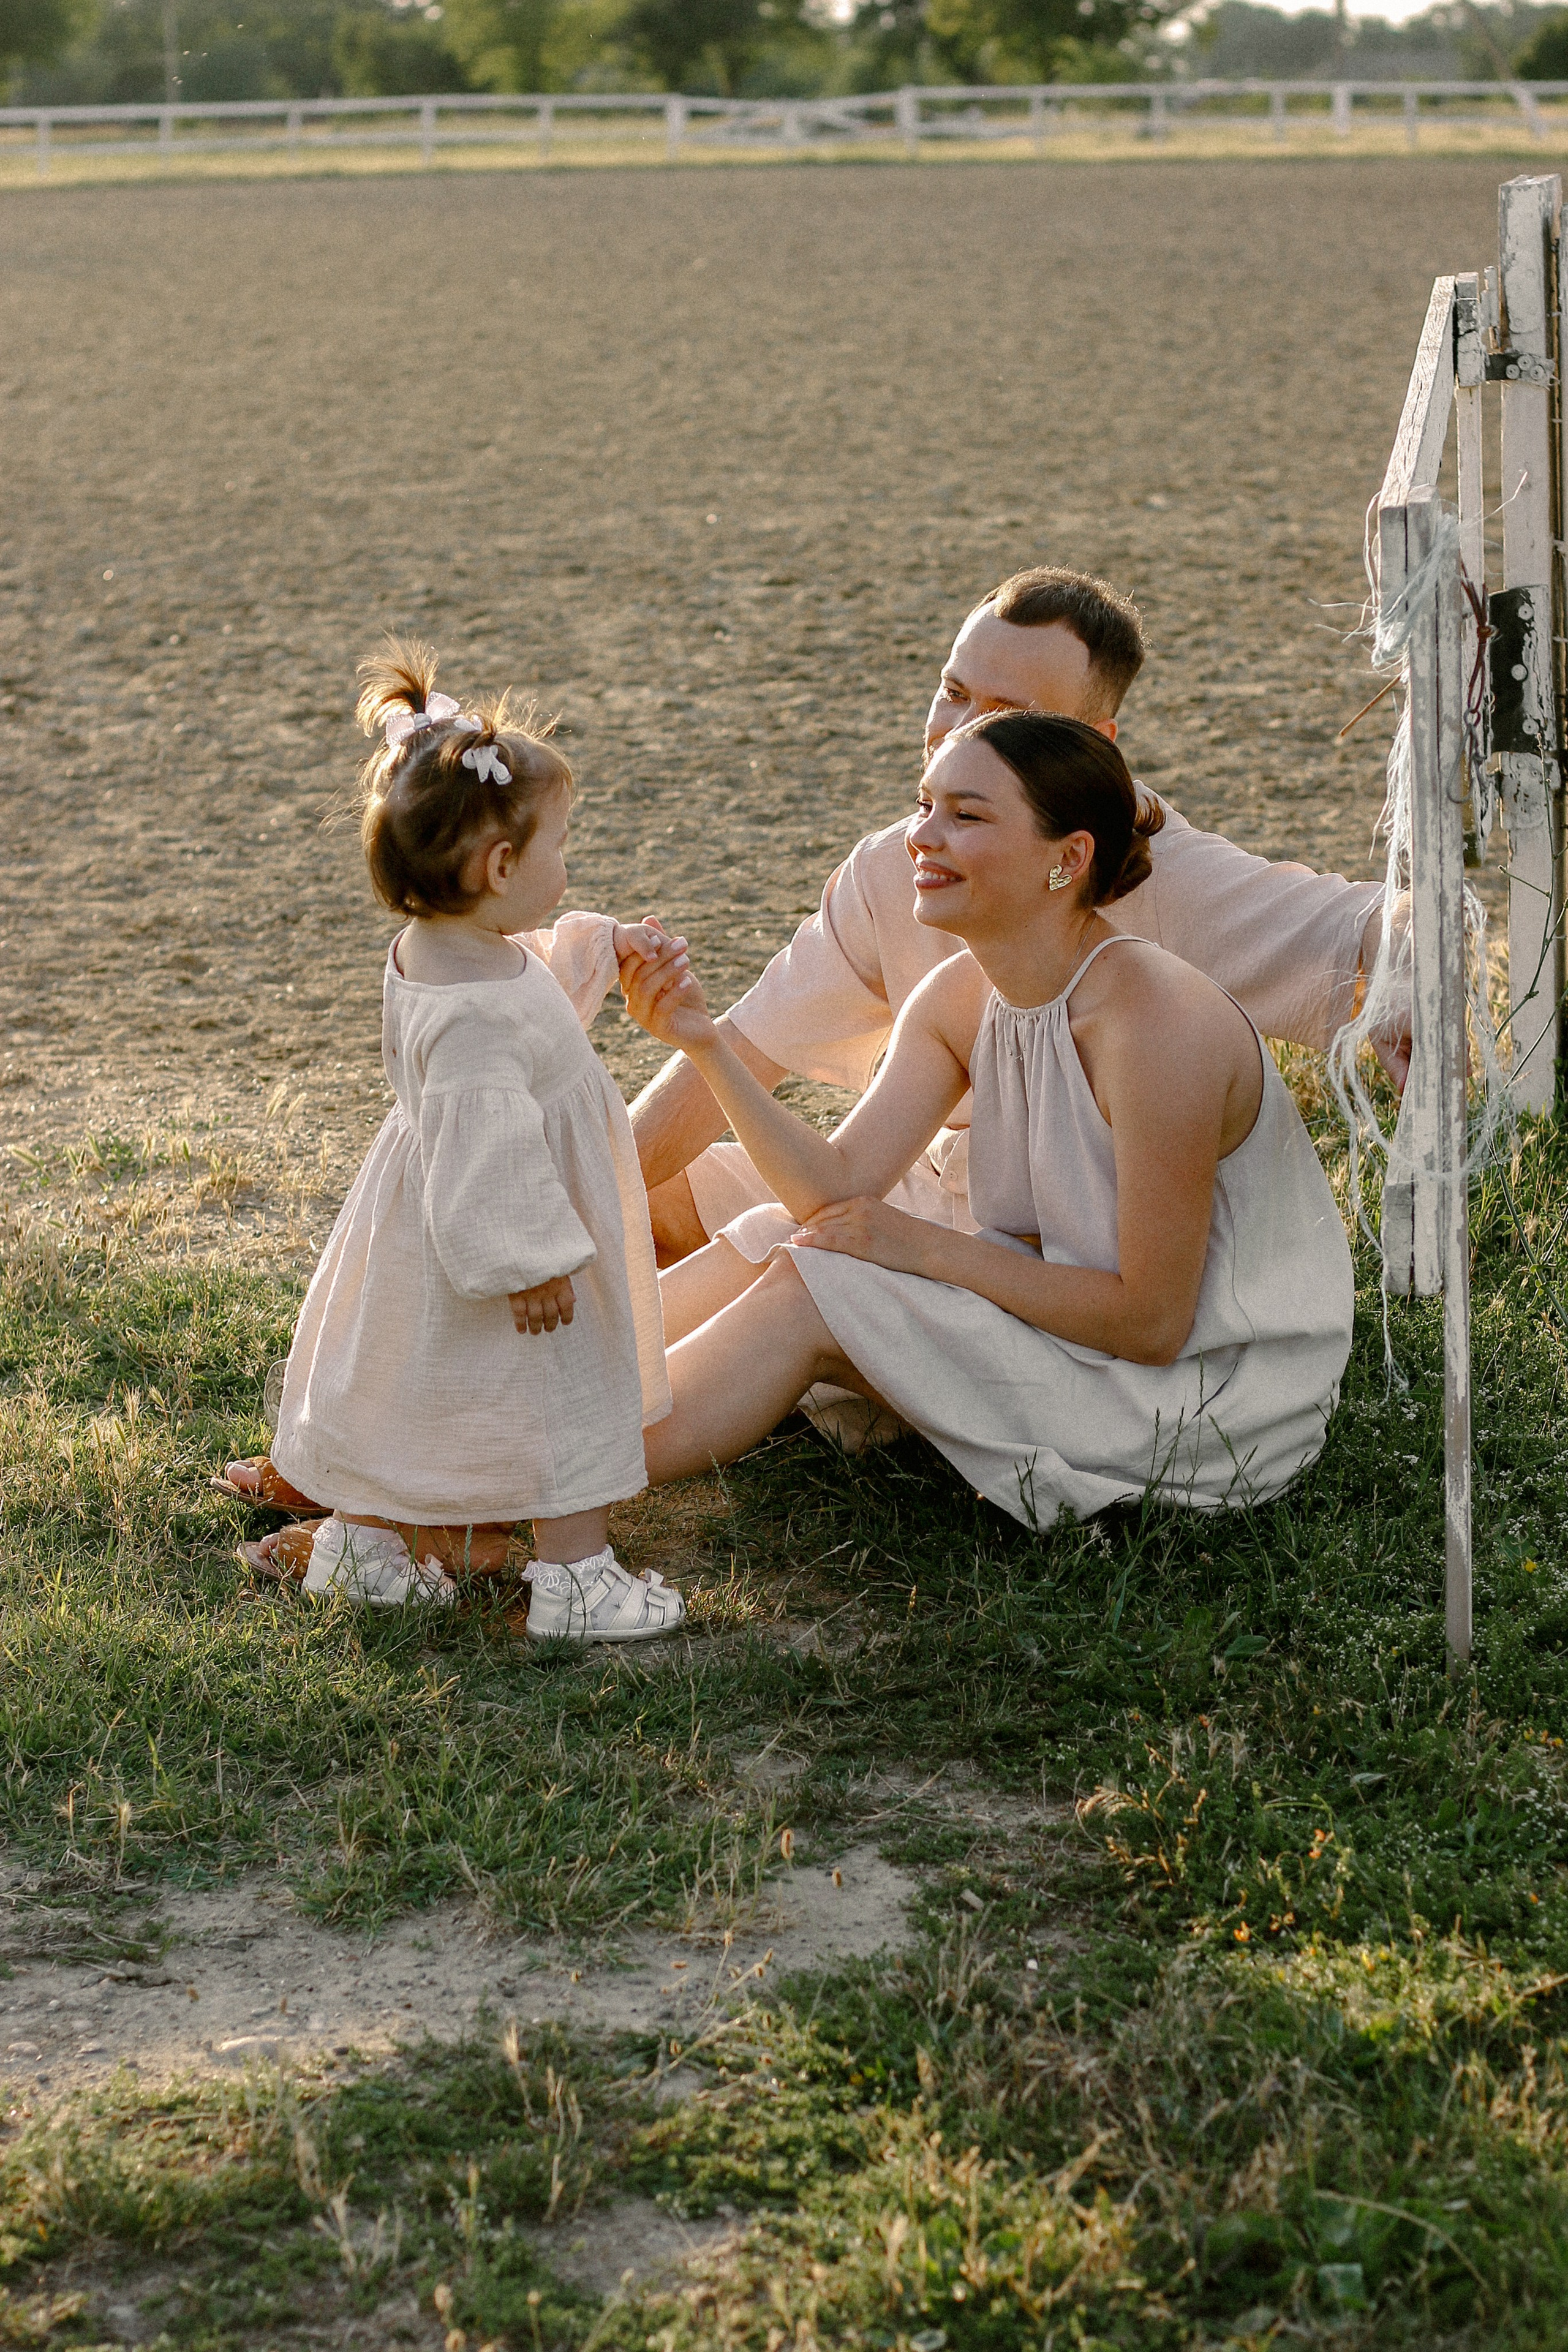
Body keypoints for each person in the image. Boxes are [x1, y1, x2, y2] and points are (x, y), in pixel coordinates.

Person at [622, 709, 1355, 1531]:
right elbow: (830, 1191)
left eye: (966, 816)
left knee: (810, 1288)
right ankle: (522, 1408)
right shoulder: (965, 996)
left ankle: (545, 1473)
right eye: (925, 805)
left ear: (1069, 858)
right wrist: (707, 1043)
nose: (922, 837)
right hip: (1069, 1334)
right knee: (777, 1235)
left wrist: (925, 1249)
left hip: (1200, 1399)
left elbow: (1152, 1323)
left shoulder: (1156, 1025)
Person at [633, 567, 1395, 1272]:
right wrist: (553, 1206)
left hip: (1063, 1251)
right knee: (636, 1199)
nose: (954, 732)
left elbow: (1373, 923)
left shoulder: (1169, 873)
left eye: (1008, 715)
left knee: (782, 1278)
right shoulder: (896, 866)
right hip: (912, 1189)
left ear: (1092, 748)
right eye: (953, 691)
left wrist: (1408, 980)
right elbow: (743, 1046)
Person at [232, 641, 692, 1638]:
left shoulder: (443, 947)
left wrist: (605, 946)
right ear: (499, 867)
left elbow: (527, 971)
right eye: (559, 847)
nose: (568, 867)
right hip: (510, 1242)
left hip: (426, 1231)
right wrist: (529, 1257)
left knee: (421, 1379)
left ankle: (372, 1544)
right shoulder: (477, 1014)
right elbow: (489, 1135)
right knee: (563, 1392)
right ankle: (577, 1580)